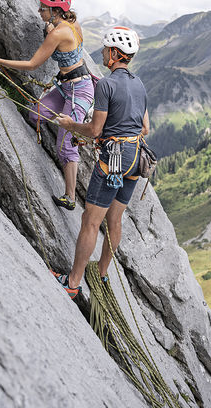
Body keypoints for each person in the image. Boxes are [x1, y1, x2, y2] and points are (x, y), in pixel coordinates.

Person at [53, 26, 150, 298]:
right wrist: (114, 134)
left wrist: (72, 125)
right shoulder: (139, 83)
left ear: (114, 54)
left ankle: (72, 283)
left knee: (91, 221)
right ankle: (102, 273)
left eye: (107, 49)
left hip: (113, 161)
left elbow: (95, 129)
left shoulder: (107, 84)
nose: (104, 53)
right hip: (135, 159)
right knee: (115, 220)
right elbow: (145, 128)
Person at [0, 0, 93, 210]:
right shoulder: (70, 23)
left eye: (43, 8)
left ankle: (70, 198)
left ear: (54, 9)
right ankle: (53, 153)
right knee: (35, 114)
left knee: (66, 144)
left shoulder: (58, 32)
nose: (39, 11)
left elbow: (32, 64)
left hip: (79, 91)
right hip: (67, 87)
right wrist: (50, 25)